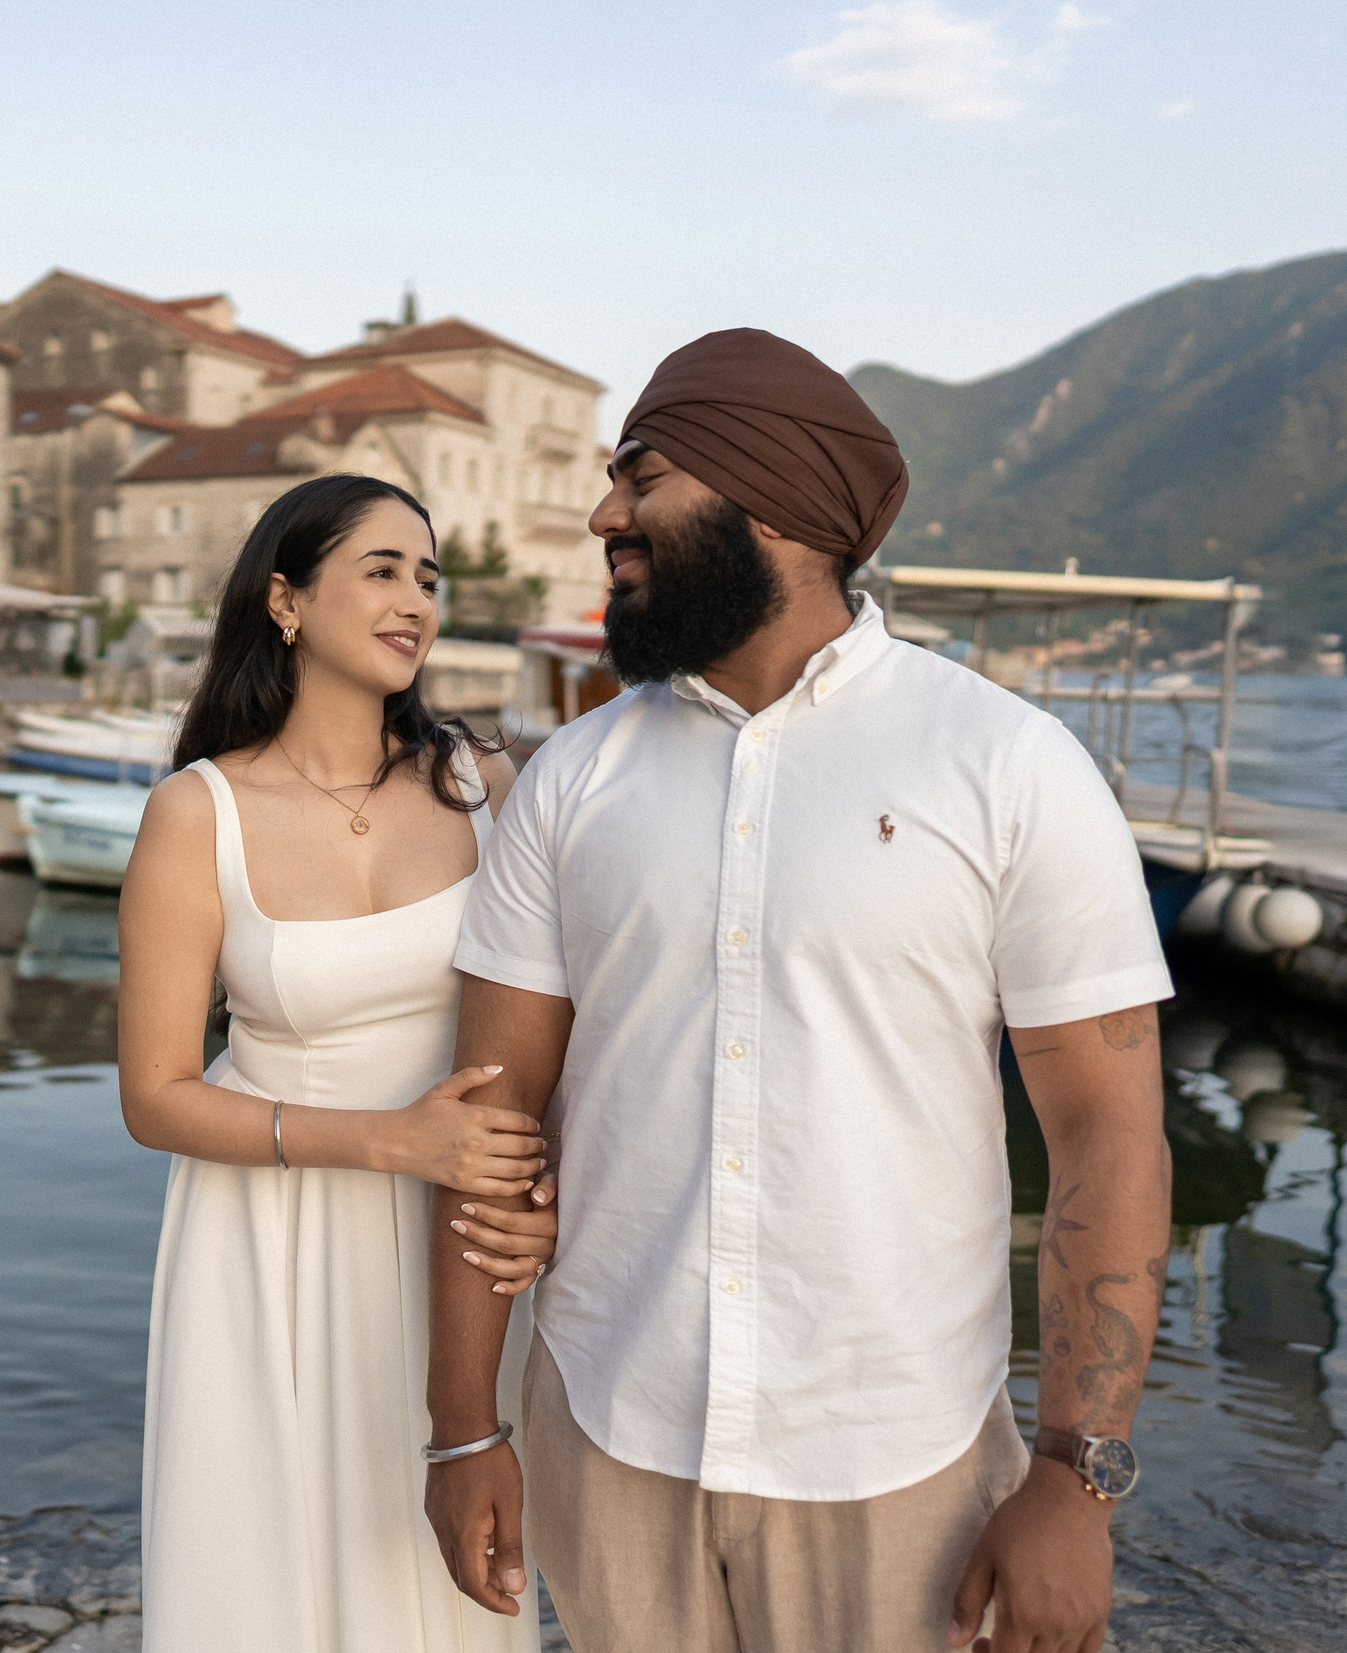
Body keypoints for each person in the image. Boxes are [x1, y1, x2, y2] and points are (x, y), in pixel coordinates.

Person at [424, 329, 1177, 1653]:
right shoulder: (572, 778)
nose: (606, 513)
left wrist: (1076, 1468)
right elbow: (490, 1123)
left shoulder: (1009, 765)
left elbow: (1109, 1130)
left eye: (641, 477)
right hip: (610, 1425)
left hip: (899, 1448)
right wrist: (464, 1423)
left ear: (767, 498)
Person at [119, 474, 558, 1653]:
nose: (415, 599)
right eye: (381, 569)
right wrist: (387, 1139)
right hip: (263, 1247)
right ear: (286, 600)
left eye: (428, 577)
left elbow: (551, 1043)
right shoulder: (194, 812)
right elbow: (155, 1097)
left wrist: (542, 1193)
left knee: (441, 1571)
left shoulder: (485, 787)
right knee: (263, 1571)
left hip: (451, 1248)